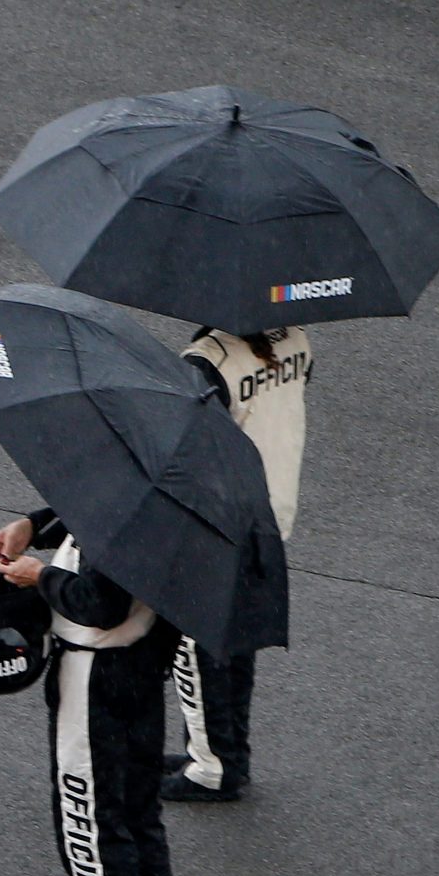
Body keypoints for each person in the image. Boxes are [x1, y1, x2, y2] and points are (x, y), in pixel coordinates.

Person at [0, 510, 184, 876]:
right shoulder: (159, 498)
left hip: (96, 678)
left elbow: (101, 602)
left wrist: (40, 575)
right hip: (139, 667)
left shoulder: (121, 510)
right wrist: (33, 525)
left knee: (89, 825)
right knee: (137, 817)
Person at [165, 324, 312, 802]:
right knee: (236, 641)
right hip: (271, 512)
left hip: (221, 521)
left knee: (195, 643)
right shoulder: (296, 338)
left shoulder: (210, 360)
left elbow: (188, 443)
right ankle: (229, 753)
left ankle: (211, 767)